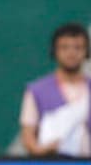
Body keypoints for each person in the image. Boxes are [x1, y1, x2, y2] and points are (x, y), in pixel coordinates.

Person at [19, 22, 91, 157]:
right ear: (54, 51)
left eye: (78, 48)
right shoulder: (36, 90)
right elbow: (28, 133)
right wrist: (39, 151)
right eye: (64, 48)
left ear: (86, 52)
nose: (71, 53)